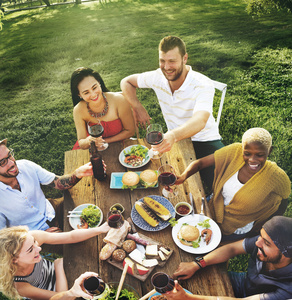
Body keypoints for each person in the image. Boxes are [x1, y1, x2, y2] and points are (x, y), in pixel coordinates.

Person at [121, 35, 224, 192]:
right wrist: (137, 106)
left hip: (204, 140)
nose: (166, 67)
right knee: (163, 184)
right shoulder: (157, 77)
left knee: (222, 185)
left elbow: (200, 120)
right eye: (162, 60)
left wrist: (173, 135)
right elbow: (126, 82)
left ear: (185, 58)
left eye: (172, 61)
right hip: (175, 142)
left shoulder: (202, 84)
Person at [175, 128, 291, 241]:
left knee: (213, 253)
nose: (252, 160)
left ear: (269, 151)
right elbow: (200, 163)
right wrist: (183, 176)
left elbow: (284, 199)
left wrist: (269, 224)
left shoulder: (276, 176)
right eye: (247, 153)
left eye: (259, 155)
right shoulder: (235, 151)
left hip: (236, 227)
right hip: (212, 207)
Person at [169, 216, 292, 300]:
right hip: (242, 282)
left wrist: (187, 298)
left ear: (286, 254)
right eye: (260, 236)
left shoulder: (288, 288)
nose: (257, 243)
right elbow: (231, 249)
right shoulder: (263, 242)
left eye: (266, 243)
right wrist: (197, 264)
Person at [0, 138, 94, 232]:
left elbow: (58, 183)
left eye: (9, 155)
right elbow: (4, 238)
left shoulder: (26, 166)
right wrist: (39, 237)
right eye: (3, 162)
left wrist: (78, 173)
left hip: (50, 209)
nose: (12, 163)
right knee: (80, 243)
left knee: (90, 207)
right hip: (33, 238)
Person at [0, 224, 110, 300]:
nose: (39, 249)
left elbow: (70, 236)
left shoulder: (29, 237)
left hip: (61, 273)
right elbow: (59, 296)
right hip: (55, 291)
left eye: (35, 243)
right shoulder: (19, 285)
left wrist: (100, 229)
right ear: (14, 259)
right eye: (30, 250)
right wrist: (58, 267)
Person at [71, 67, 135, 150]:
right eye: (86, 92)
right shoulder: (78, 110)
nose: (93, 94)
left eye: (94, 87)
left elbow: (130, 131)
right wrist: (89, 141)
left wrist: (104, 141)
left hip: (119, 145)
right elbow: (82, 143)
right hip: (92, 148)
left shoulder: (119, 100)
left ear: (99, 82)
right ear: (79, 94)